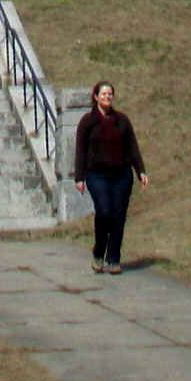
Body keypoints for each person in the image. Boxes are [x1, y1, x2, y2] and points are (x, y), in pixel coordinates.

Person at [73, 79, 148, 273]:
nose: (107, 97)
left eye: (110, 94)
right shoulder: (87, 122)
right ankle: (99, 253)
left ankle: (114, 258)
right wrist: (79, 178)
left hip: (121, 174)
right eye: (103, 94)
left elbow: (133, 147)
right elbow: (81, 150)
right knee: (104, 212)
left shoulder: (122, 120)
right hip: (97, 175)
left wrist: (140, 171)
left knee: (118, 216)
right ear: (96, 97)